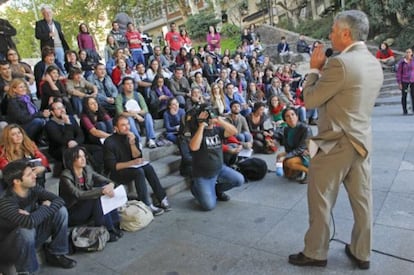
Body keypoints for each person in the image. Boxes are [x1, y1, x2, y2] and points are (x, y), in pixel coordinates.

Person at [288, 10, 384, 269]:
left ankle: (315, 252)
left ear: (345, 33)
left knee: (320, 200)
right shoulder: (374, 63)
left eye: (332, 30)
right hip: (361, 140)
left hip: (334, 142)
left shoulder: (340, 64)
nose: (329, 34)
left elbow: (309, 99)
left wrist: (313, 70)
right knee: (363, 201)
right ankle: (362, 252)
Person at [0, 160, 76, 274]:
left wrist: (32, 217)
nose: (34, 176)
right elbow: (29, 223)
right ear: (16, 181)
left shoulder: (33, 188)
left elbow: (59, 200)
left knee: (61, 211)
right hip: (9, 248)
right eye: (29, 175)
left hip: (30, 237)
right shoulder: (5, 201)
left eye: (33, 172)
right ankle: (29, 271)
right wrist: (44, 208)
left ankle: (57, 253)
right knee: (25, 229)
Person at [104, 115, 170, 215]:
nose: (127, 127)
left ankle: (161, 198)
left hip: (131, 168)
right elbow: (113, 166)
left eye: (128, 124)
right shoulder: (109, 142)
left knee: (148, 167)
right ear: (115, 128)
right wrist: (132, 163)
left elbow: (137, 156)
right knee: (139, 171)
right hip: (117, 173)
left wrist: (132, 144)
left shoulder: (130, 137)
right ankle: (146, 204)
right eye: (123, 125)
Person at [59, 146, 122, 242]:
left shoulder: (87, 169)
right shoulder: (66, 176)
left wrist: (111, 185)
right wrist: (101, 191)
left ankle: (115, 224)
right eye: (79, 157)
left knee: (103, 186)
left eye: (84, 156)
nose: (83, 159)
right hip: (73, 212)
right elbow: (78, 194)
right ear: (71, 160)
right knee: (97, 197)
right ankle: (106, 229)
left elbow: (103, 179)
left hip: (86, 206)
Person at [189, 103, 244, 211]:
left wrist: (219, 120)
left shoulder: (217, 130)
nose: (209, 118)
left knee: (239, 180)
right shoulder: (195, 130)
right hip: (202, 175)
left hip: (219, 169)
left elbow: (234, 131)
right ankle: (195, 189)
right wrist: (201, 126)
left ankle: (216, 190)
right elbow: (194, 147)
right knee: (209, 206)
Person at [115, 77, 158, 148]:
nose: (130, 85)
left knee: (148, 115)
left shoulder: (138, 95)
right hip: (128, 118)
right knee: (129, 119)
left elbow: (145, 109)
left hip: (140, 117)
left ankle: (151, 139)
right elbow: (120, 112)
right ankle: (137, 141)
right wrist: (134, 115)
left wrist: (136, 113)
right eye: (127, 84)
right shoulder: (119, 97)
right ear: (123, 86)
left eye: (131, 83)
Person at [6, 79, 50, 143]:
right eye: (21, 87)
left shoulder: (27, 97)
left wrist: (43, 113)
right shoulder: (13, 102)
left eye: (24, 86)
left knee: (46, 119)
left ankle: (39, 139)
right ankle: (27, 141)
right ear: (14, 89)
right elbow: (23, 119)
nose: (24, 89)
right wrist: (40, 114)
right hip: (19, 126)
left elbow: (36, 112)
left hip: (29, 122)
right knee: (38, 121)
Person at [276, 107, 312, 183]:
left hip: (306, 154)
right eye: (287, 116)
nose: (291, 118)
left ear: (297, 116)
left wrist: (286, 156)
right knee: (279, 157)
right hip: (295, 151)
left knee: (289, 162)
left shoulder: (305, 128)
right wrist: (284, 155)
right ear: (285, 120)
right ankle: (297, 171)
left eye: (293, 114)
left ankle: (310, 172)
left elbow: (302, 148)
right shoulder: (286, 129)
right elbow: (287, 146)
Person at [396, 48, 414, 115]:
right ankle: (404, 110)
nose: (408, 53)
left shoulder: (413, 61)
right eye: (407, 52)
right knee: (404, 95)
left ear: (412, 53)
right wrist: (399, 82)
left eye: (409, 52)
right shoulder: (402, 62)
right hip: (404, 80)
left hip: (412, 80)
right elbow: (399, 73)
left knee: (413, 95)